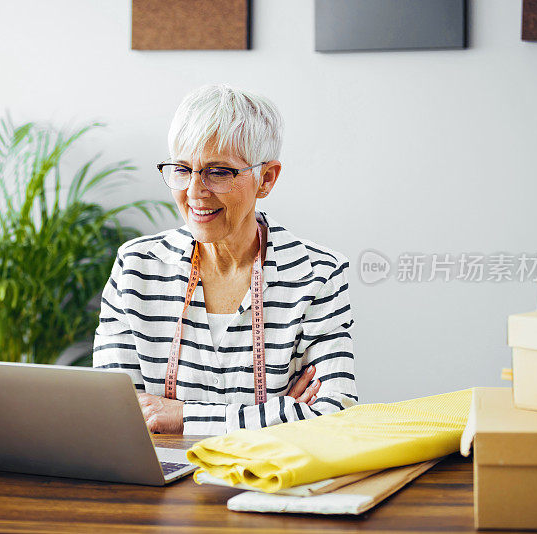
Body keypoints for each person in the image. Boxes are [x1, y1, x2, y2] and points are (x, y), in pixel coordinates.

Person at [93, 84, 357, 435]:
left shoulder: (317, 275)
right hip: (158, 484)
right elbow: (114, 414)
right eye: (183, 169)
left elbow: (334, 415)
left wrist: (182, 416)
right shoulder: (136, 268)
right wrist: (277, 416)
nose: (194, 192)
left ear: (266, 178)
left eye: (218, 172)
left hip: (268, 485)